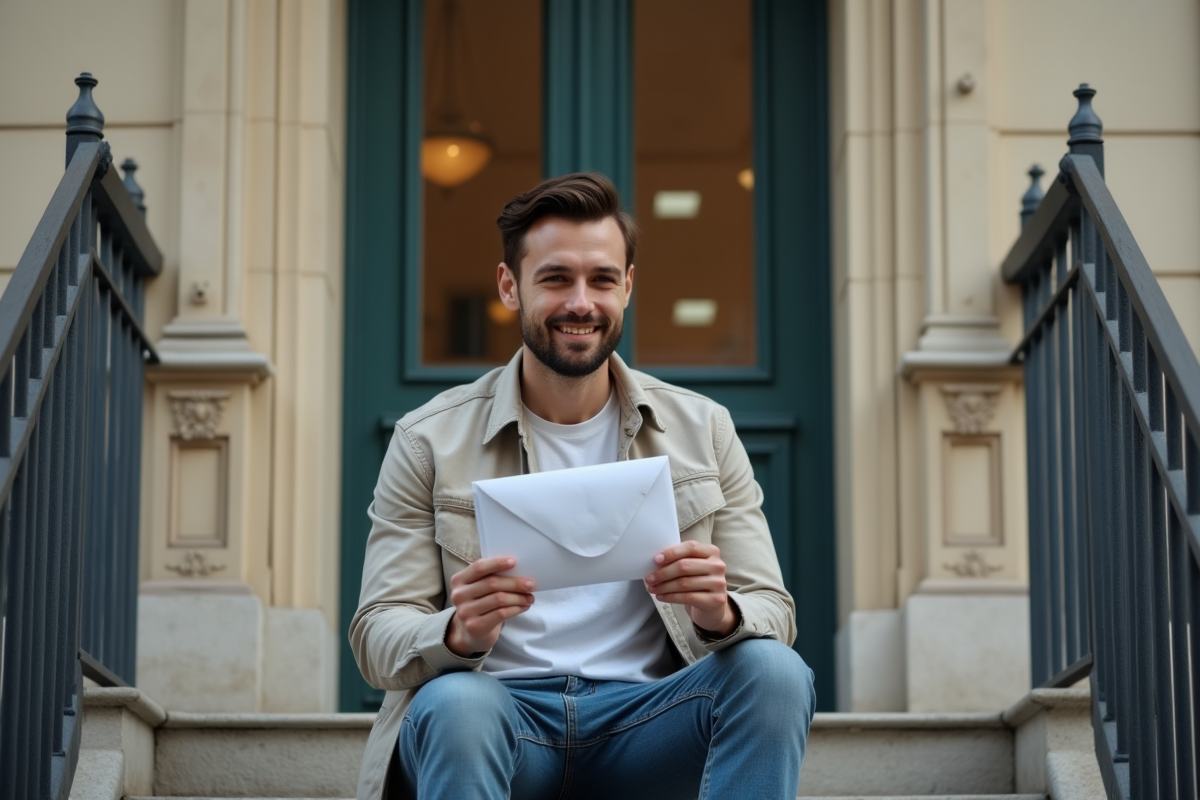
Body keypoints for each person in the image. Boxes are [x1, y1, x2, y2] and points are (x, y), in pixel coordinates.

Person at [349, 172, 815, 800]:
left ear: (627, 287)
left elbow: (773, 611)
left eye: (601, 280)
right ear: (509, 286)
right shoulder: (427, 439)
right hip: (500, 718)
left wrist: (720, 614)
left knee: (774, 672)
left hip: (649, 722)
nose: (580, 303)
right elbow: (377, 633)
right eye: (555, 279)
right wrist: (456, 633)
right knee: (457, 704)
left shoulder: (703, 428)